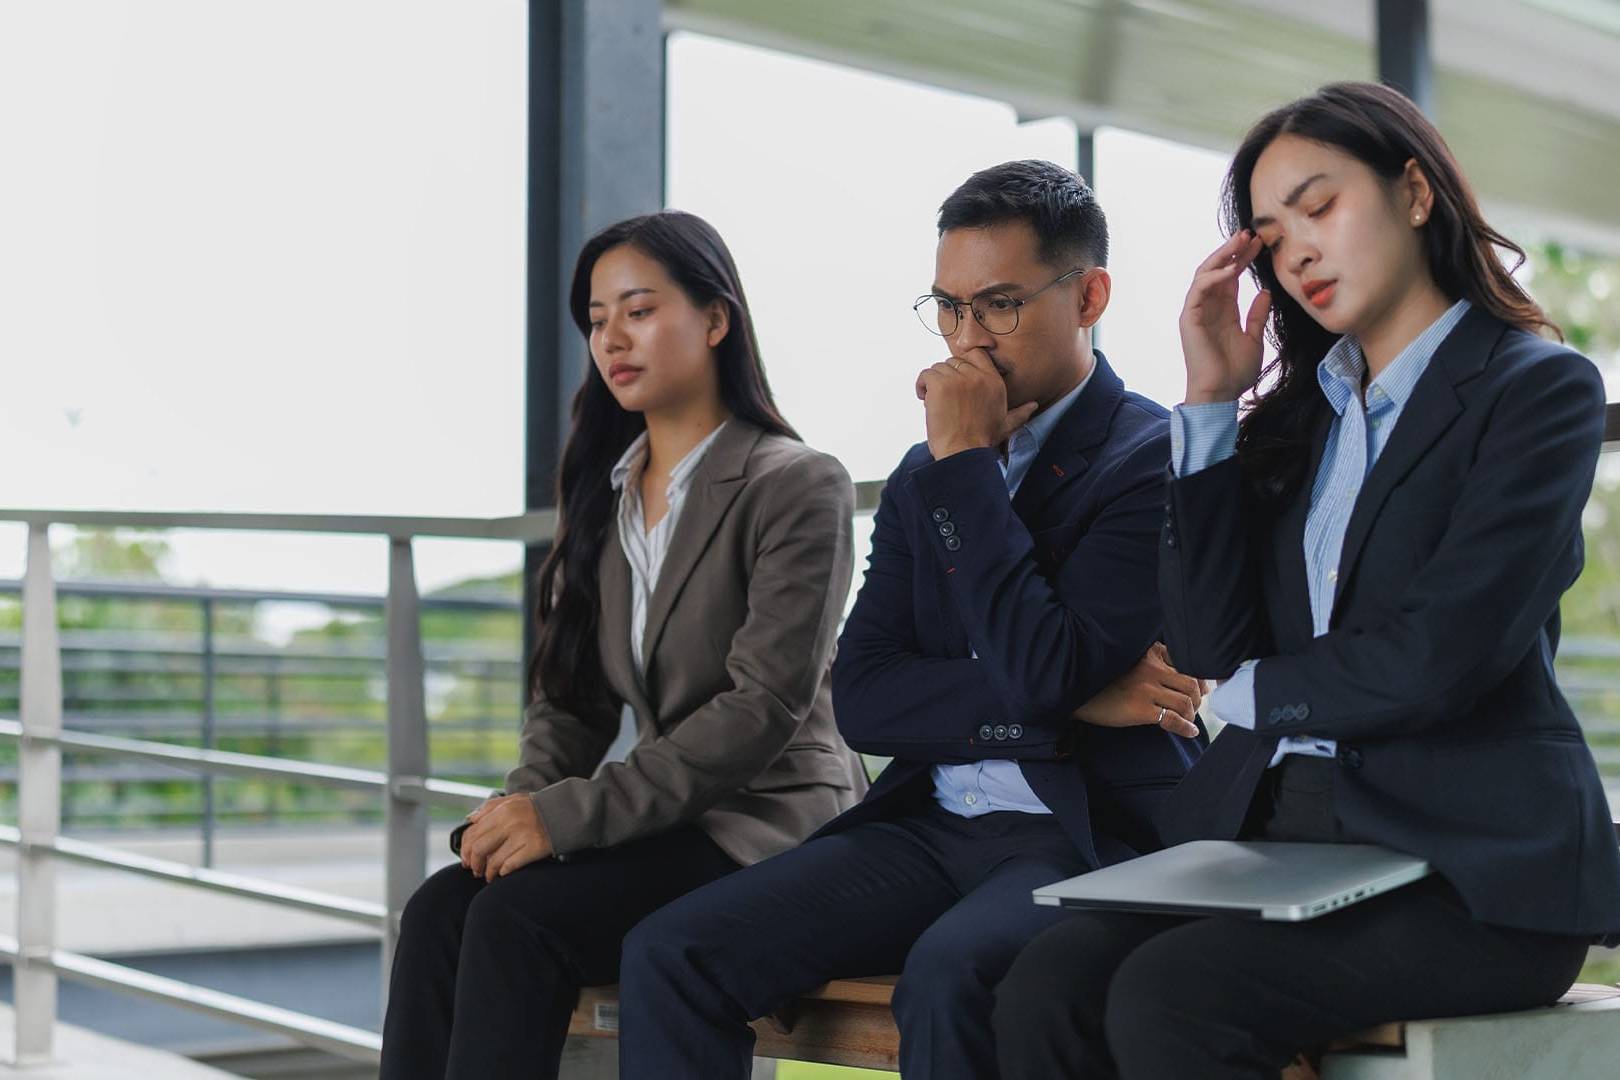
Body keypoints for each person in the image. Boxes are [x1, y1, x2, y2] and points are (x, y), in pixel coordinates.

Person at [993, 81, 1620, 1080]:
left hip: (1469, 868)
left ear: (1415, 193)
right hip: (1280, 839)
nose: (1299, 253)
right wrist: (1207, 403)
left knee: (1174, 998)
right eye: (1271, 237)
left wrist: (1248, 697)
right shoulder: (1300, 419)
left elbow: (1440, 654)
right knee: (1043, 985)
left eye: (1319, 206)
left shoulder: (1536, 388)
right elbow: (1203, 644)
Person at [616, 160, 1206, 1080]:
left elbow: (1044, 666)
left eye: (1000, 306)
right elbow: (868, 700)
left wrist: (967, 462)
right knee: (671, 952)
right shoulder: (920, 466)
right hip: (929, 822)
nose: (968, 341)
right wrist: (1076, 699)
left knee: (949, 976)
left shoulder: (1148, 457)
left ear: (1089, 296)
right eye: (948, 306)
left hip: (1086, 830)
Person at [377, 210, 867, 1079]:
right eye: (597, 320)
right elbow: (570, 702)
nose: (613, 339)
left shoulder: (795, 484)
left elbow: (761, 709)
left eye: (639, 310)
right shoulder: (604, 495)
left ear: (716, 320)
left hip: (770, 822)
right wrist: (516, 817)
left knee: (517, 920)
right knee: (441, 909)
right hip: (662, 818)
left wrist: (559, 821)